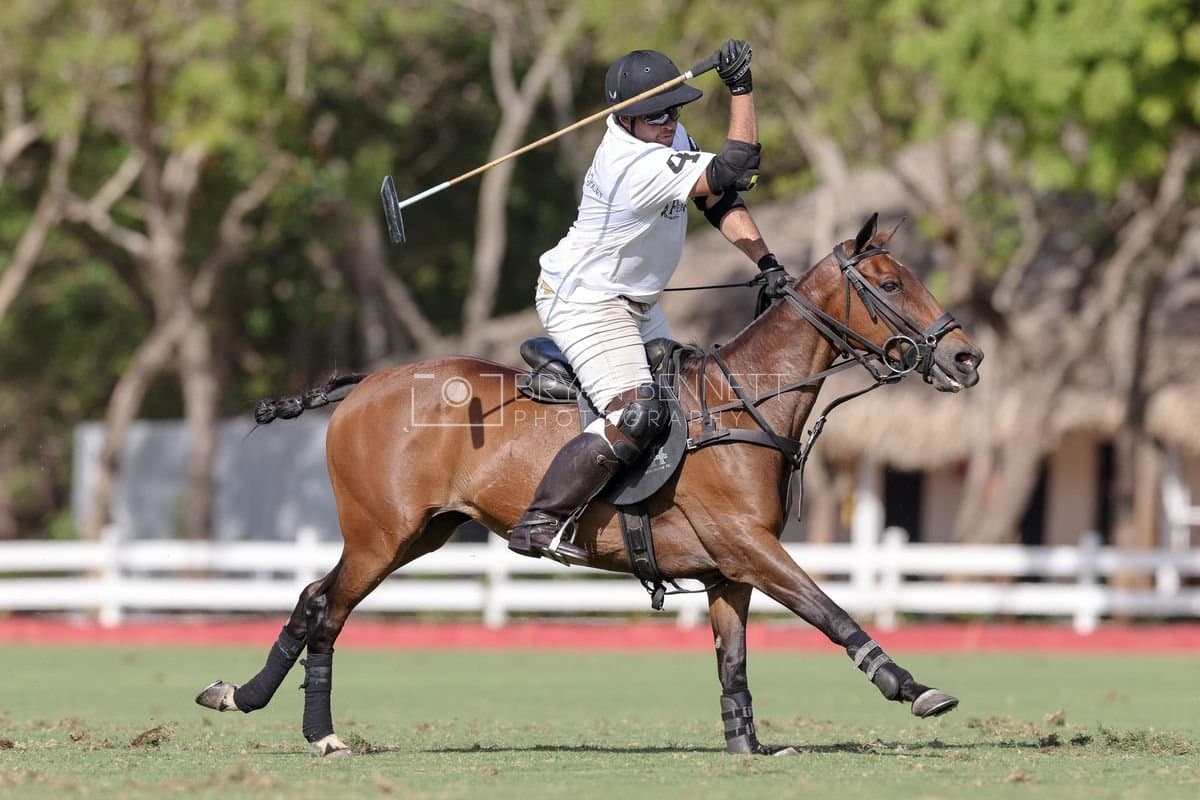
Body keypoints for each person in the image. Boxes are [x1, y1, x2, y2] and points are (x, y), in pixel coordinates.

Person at [508, 39, 789, 561]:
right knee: (637, 413)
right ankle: (539, 522)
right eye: (656, 114)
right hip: (585, 301)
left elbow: (720, 198)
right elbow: (737, 166)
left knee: (689, 399)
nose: (668, 122)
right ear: (626, 120)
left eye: (674, 110)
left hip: (636, 305)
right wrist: (742, 88)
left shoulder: (666, 136)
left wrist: (766, 261)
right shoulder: (631, 165)